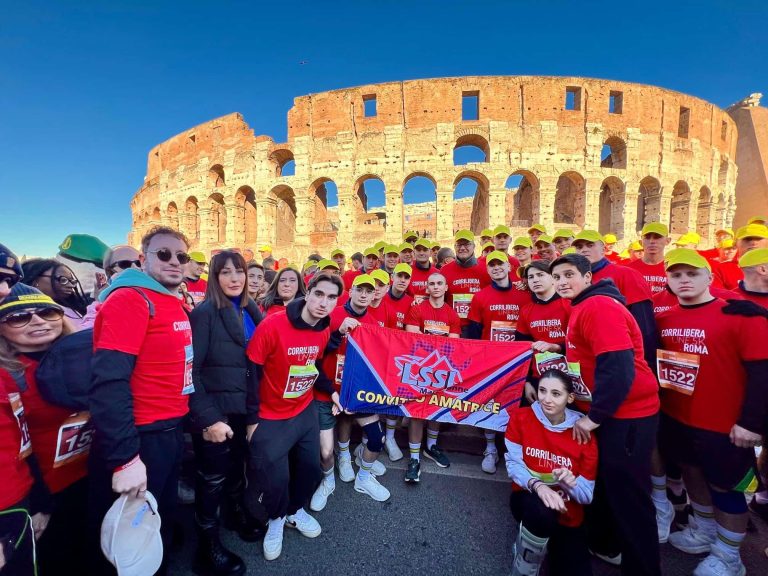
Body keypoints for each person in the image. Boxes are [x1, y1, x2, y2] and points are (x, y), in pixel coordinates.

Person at [87, 225, 194, 576]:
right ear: (142, 259)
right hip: (142, 434)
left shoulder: (170, 301)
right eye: (163, 254)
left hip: (169, 428)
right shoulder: (131, 299)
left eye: (181, 256)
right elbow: (109, 381)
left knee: (153, 523)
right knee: (129, 538)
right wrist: (125, 459)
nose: (174, 262)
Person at [656, 249, 768, 576]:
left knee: (727, 487)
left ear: (708, 277)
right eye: (676, 275)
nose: (684, 280)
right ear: (668, 281)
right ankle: (703, 531)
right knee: (692, 475)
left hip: (726, 426)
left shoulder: (739, 315)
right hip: (679, 418)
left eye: (692, 273)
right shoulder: (665, 318)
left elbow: (762, 374)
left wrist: (750, 423)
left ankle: (729, 556)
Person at [550, 253, 660, 576]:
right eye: (557, 278)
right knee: (610, 489)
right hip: (615, 413)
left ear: (588, 278)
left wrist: (592, 417)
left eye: (568, 275)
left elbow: (618, 368)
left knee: (630, 499)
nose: (561, 282)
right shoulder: (584, 306)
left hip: (626, 415)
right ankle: (607, 546)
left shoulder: (597, 306)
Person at [245, 273, 344, 561]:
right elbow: (251, 371)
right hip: (270, 416)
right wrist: (252, 420)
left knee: (310, 469)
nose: (324, 303)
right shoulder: (273, 325)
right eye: (319, 294)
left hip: (303, 411)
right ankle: (275, 519)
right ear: (308, 292)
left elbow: (312, 365)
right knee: (276, 479)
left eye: (331, 298)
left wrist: (331, 392)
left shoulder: (324, 329)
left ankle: (293, 511)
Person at [0, 285, 89, 573]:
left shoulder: (86, 355)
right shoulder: (8, 376)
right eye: (18, 317)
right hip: (47, 491)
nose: (37, 321)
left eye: (47, 312)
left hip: (92, 477)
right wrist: (40, 504)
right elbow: (14, 451)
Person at [188, 250, 264, 575]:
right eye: (226, 272)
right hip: (215, 414)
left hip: (242, 408)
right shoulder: (205, 312)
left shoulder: (251, 309)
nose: (235, 278)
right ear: (214, 278)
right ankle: (207, 549)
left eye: (240, 271)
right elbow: (191, 370)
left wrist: (254, 415)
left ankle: (234, 514)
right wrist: (208, 418)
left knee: (236, 469)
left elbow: (256, 366)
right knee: (212, 480)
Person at [505, 369, 598, 576]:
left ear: (570, 397)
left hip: (568, 512)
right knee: (541, 512)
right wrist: (538, 487)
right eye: (542, 391)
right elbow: (514, 466)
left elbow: (586, 496)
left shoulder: (582, 433)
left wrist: (568, 483)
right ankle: (525, 561)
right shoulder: (521, 417)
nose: (547, 399)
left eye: (556, 394)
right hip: (529, 500)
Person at [311, 273, 390, 512]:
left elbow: (375, 362)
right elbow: (314, 352)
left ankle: (363, 478)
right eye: (360, 290)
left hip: (357, 392)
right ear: (351, 291)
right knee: (325, 451)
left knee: (377, 438)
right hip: (326, 390)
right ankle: (330, 477)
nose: (364, 295)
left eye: (369, 291)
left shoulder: (374, 324)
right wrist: (338, 333)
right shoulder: (331, 315)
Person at [465, 251, 531, 473]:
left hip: (519, 358)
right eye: (491, 265)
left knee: (517, 404)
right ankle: (491, 448)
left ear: (509, 267)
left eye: (500, 264)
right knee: (491, 403)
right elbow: (474, 332)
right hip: (491, 359)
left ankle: (515, 448)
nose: (496, 268)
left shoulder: (525, 293)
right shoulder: (481, 296)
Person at [404, 273, 461, 481]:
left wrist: (431, 342)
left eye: (439, 283)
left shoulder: (452, 315)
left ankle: (431, 447)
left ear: (446, 287)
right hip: (419, 368)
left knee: (437, 406)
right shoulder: (417, 309)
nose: (435, 287)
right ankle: (413, 458)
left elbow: (453, 345)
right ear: (426, 288)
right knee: (416, 411)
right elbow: (413, 340)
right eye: (431, 284)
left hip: (441, 369)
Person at [514, 260, 572, 405]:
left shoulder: (569, 304)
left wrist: (557, 347)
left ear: (553, 277)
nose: (535, 280)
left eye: (540, 274)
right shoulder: (526, 310)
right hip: (537, 377)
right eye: (531, 277)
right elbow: (522, 349)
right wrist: (526, 382)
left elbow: (582, 342)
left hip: (570, 376)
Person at [21, 259, 90, 329]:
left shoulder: (68, 306)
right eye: (63, 280)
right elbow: (81, 334)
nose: (71, 285)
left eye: (72, 281)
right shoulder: (35, 312)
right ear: (35, 281)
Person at [441, 230, 490, 330]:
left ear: (474, 246)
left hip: (479, 328)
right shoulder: (445, 270)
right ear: (454, 247)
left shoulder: (486, 269)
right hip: (454, 328)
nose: (462, 248)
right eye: (459, 245)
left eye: (467, 244)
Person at [627, 222, 671, 294]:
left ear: (668, 241)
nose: (652, 241)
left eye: (657, 237)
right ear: (641, 242)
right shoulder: (629, 270)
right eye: (647, 237)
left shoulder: (674, 269)